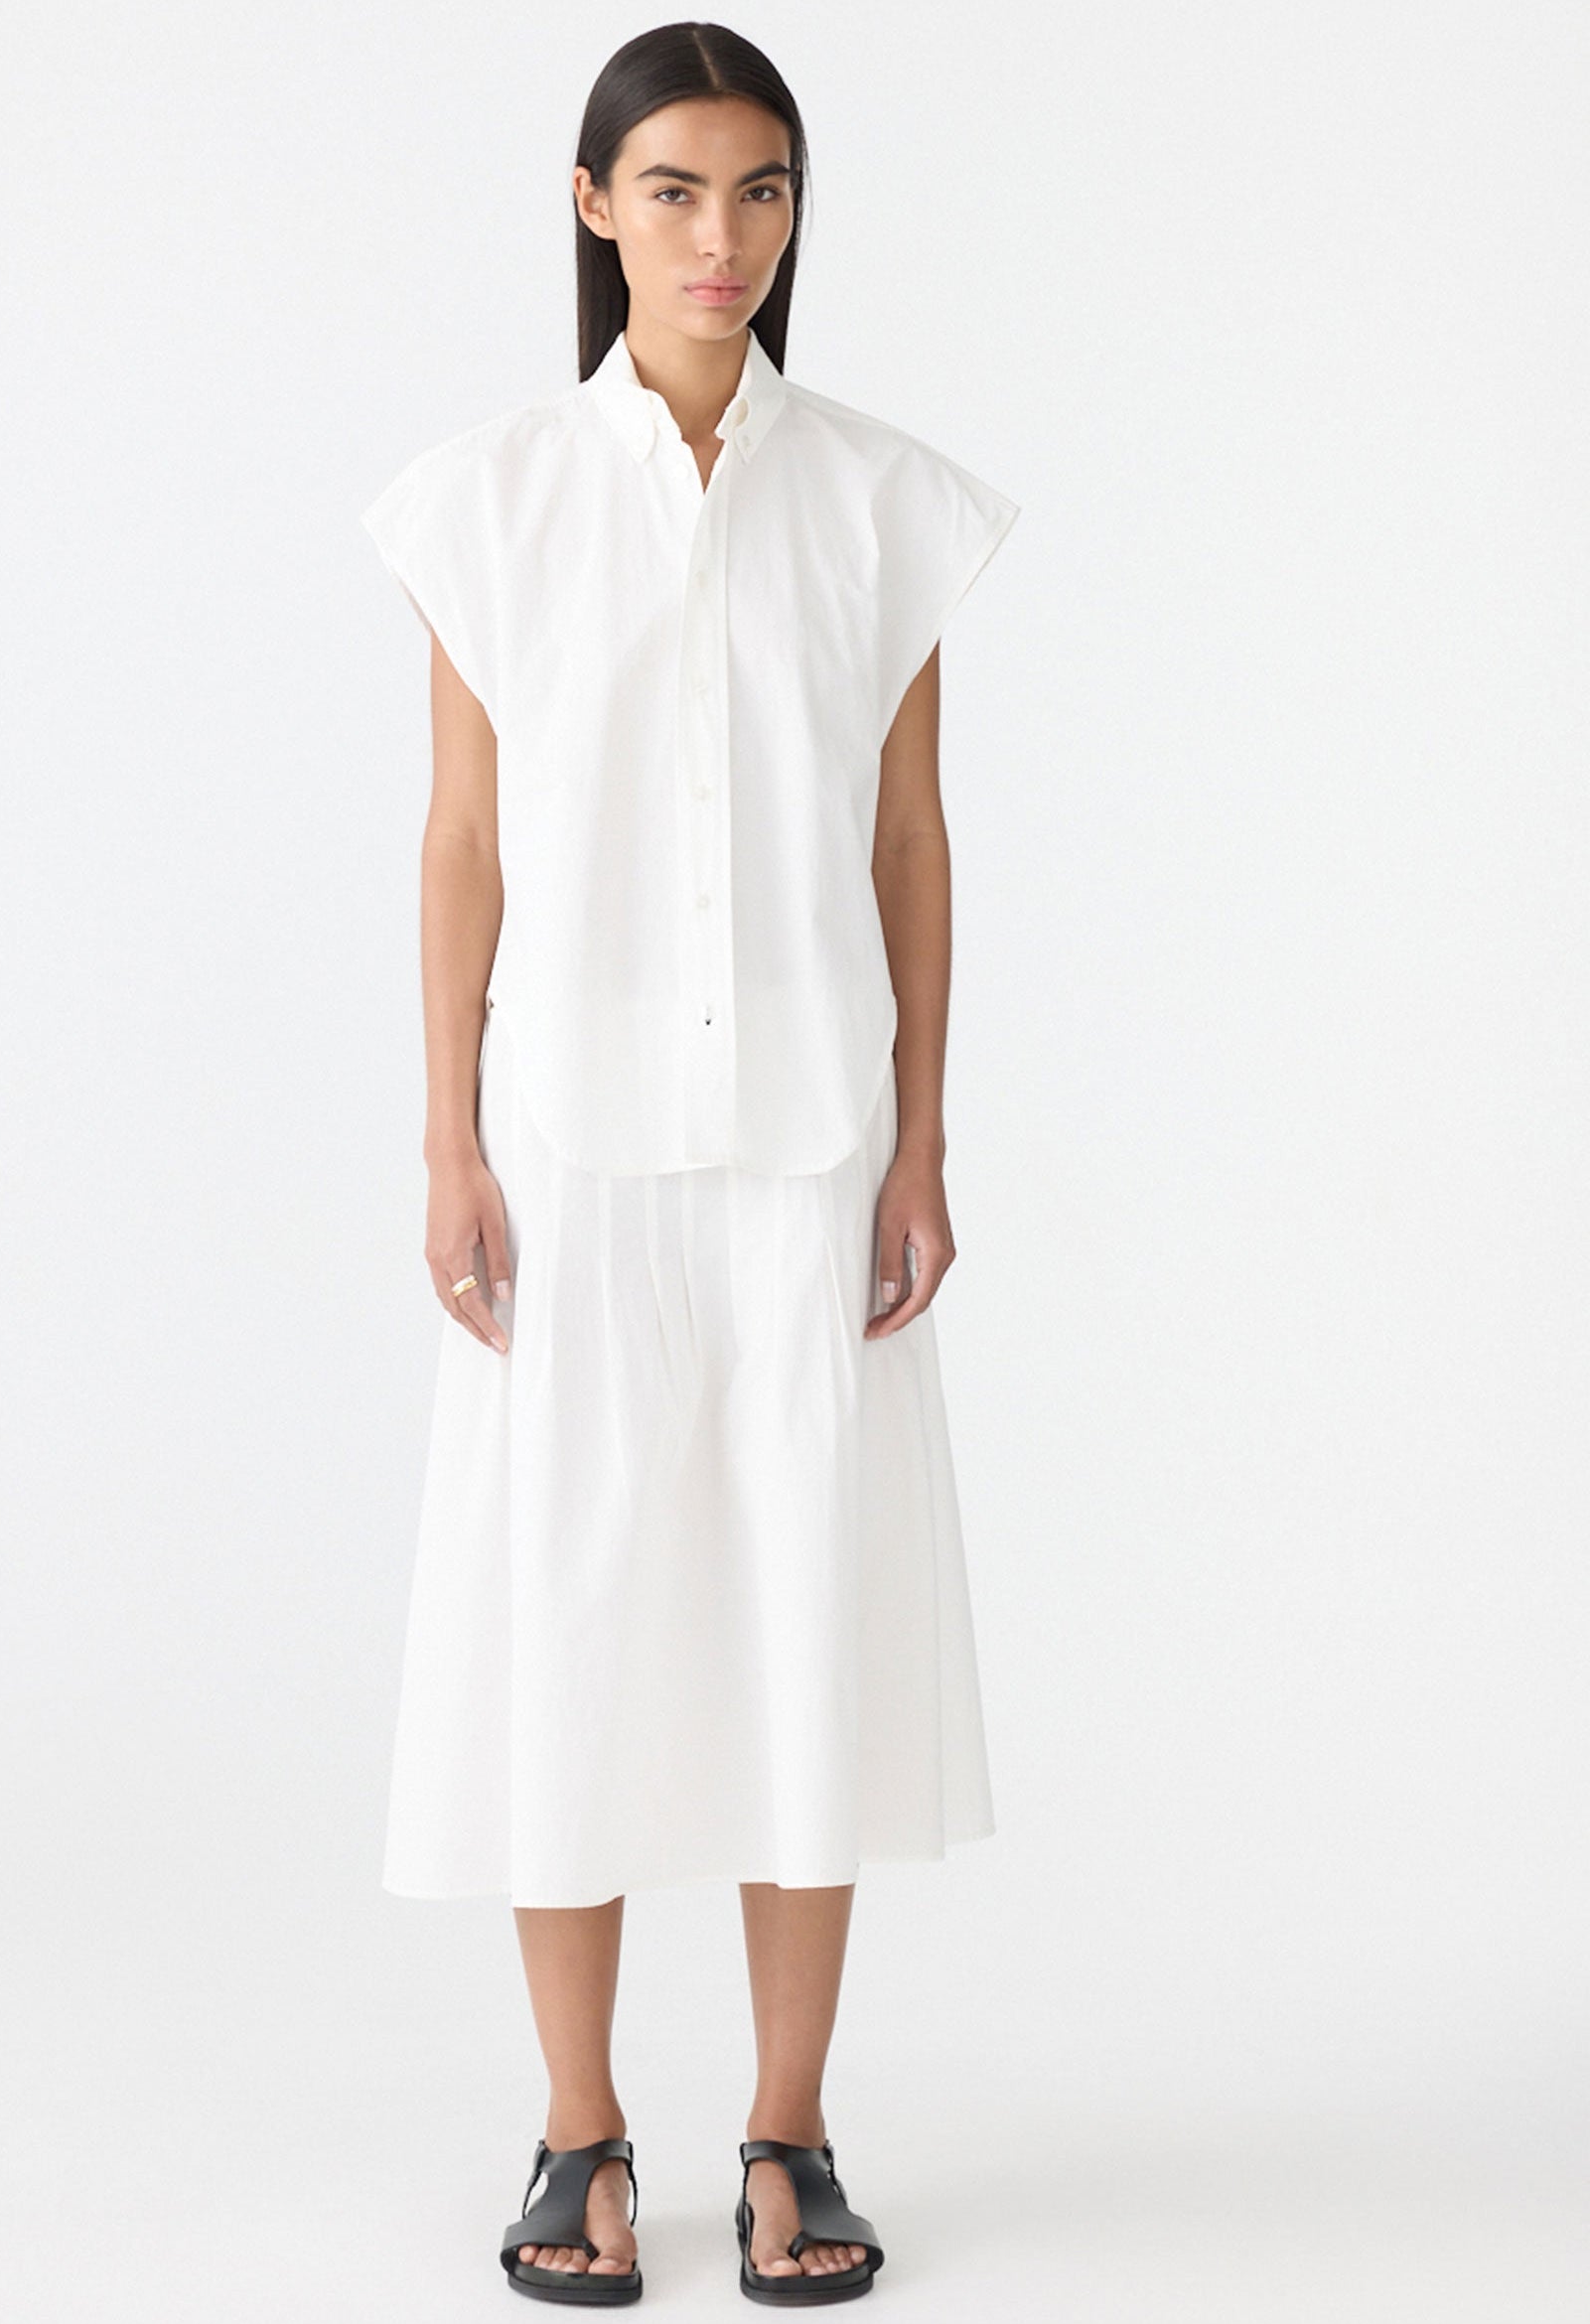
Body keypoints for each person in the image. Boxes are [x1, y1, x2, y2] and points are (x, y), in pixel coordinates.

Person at [360, 23, 1020, 2307]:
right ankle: (576, 2137)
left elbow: (909, 836)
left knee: (801, 1628)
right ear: (592, 206)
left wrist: (924, 1139)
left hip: (813, 1145)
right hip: (574, 1156)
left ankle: (790, 2129)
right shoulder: (490, 504)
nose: (720, 237)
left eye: (759, 191)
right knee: (569, 1621)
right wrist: (446, 1137)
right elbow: (462, 840)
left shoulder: (885, 502)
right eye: (673, 190)